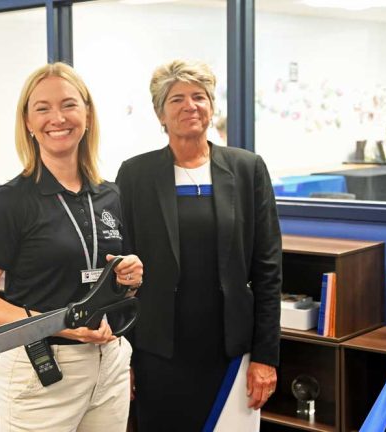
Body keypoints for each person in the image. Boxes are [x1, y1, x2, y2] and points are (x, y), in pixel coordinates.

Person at [0, 62, 144, 432]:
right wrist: (62, 325)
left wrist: (130, 277)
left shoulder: (111, 195)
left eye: (69, 104)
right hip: (41, 366)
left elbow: (112, 283)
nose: (57, 117)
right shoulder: (11, 202)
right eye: (42, 108)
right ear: (27, 122)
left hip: (109, 361)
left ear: (87, 114)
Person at [116, 59, 281, 431]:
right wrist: (122, 359)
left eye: (199, 96)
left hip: (231, 351)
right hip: (158, 352)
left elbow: (268, 270)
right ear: (160, 113)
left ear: (212, 106)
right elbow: (119, 277)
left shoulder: (247, 169)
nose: (190, 106)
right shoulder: (135, 175)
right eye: (176, 99)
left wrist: (266, 357)